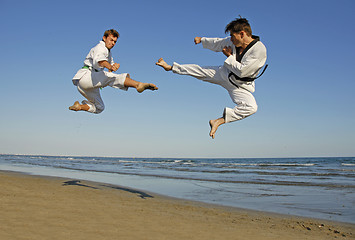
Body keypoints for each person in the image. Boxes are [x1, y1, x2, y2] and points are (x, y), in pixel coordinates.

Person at [156, 18, 267, 139]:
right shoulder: (234, 42)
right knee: (200, 71)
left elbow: (242, 71)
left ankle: (218, 121)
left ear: (242, 34)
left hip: (240, 86)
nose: (230, 39)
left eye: (232, 36)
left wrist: (229, 56)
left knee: (251, 107)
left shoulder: (259, 50)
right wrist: (202, 40)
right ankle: (170, 67)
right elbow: (218, 43)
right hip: (225, 73)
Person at [69, 29, 158, 114]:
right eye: (111, 40)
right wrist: (110, 66)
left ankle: (79, 106)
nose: (113, 43)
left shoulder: (108, 52)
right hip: (87, 76)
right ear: (104, 38)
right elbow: (101, 61)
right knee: (112, 77)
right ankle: (138, 84)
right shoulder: (100, 47)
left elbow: (110, 68)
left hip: (87, 85)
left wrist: (114, 66)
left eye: (115, 42)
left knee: (99, 107)